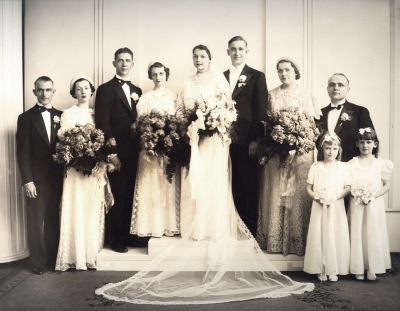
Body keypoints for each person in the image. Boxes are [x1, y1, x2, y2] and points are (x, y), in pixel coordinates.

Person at [95, 45, 314, 305]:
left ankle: (214, 226)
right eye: (195, 57)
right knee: (193, 181)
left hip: (214, 140)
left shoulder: (217, 79)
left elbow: (228, 109)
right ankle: (193, 226)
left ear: (210, 59)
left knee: (213, 180)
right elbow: (179, 112)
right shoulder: (187, 82)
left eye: (203, 57)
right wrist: (189, 127)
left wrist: (214, 121)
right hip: (193, 139)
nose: (198, 60)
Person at [256, 58, 321, 256]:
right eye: (280, 71)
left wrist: (297, 141)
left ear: (295, 71)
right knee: (276, 192)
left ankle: (296, 242)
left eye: (287, 70)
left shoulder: (305, 93)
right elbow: (267, 125)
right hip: (276, 153)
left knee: (297, 194)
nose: (283, 74)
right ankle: (275, 240)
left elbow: (311, 125)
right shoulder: (272, 95)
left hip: (300, 153)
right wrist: (278, 141)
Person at [55, 76, 113, 271]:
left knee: (91, 208)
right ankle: (75, 256)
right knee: (76, 207)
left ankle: (90, 254)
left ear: (92, 90)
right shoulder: (68, 114)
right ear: (73, 92)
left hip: (94, 170)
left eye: (86, 87)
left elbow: (102, 141)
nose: (83, 91)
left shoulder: (98, 114)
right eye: (78, 89)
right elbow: (65, 138)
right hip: (75, 170)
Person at [95, 47, 143, 252]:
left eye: (127, 60)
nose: (124, 64)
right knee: (117, 195)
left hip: (135, 151)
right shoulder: (106, 89)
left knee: (131, 194)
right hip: (116, 151)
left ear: (133, 63)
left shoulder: (138, 91)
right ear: (114, 63)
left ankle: (128, 236)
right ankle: (115, 240)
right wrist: (111, 153)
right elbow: (102, 122)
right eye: (120, 60)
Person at [16, 76, 63, 274]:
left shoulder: (62, 115)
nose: (44, 94)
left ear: (54, 92)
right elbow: (22, 152)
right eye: (40, 90)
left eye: (48, 90)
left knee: (53, 219)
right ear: (34, 92)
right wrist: (27, 180)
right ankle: (37, 262)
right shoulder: (25, 118)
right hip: (36, 179)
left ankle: (53, 259)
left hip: (58, 178)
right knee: (36, 220)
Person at [223, 36, 268, 235]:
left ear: (246, 51)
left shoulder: (257, 76)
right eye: (233, 49)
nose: (237, 53)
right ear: (228, 52)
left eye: (241, 49)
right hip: (223, 138)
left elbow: (261, 111)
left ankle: (248, 231)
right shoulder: (220, 76)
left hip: (246, 139)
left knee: (246, 184)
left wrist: (256, 140)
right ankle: (230, 228)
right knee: (227, 183)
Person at [130, 62, 179, 237]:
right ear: (150, 76)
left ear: (166, 75)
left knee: (166, 185)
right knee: (151, 185)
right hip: (149, 148)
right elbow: (140, 123)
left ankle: (167, 225)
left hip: (167, 149)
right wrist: (150, 140)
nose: (158, 77)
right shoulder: (145, 98)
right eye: (154, 74)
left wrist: (167, 140)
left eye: (161, 73)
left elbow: (177, 123)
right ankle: (151, 226)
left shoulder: (174, 97)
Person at [303, 133, 351, 282]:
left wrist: (334, 198)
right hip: (319, 206)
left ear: (339, 150)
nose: (331, 151)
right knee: (320, 233)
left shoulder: (343, 167)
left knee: (335, 234)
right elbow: (308, 188)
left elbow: (348, 187)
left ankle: (334, 268)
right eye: (328, 148)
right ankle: (320, 267)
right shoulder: (316, 167)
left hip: (336, 206)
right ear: (322, 148)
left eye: (334, 148)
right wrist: (318, 198)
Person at [348, 128, 393, 281]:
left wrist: (373, 195)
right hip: (357, 204)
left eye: (368, 142)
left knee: (372, 232)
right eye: (362, 142)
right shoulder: (352, 163)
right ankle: (358, 267)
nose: (365, 146)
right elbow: (348, 185)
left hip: (374, 203)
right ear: (357, 144)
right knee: (358, 232)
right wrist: (358, 193)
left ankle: (372, 267)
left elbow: (386, 185)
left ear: (375, 144)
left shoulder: (381, 163)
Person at [317, 73, 374, 162]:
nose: (336, 88)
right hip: (325, 167)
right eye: (332, 85)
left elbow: (369, 141)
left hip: (351, 166)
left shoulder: (360, 112)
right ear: (327, 89)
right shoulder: (318, 114)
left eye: (340, 85)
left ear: (348, 89)